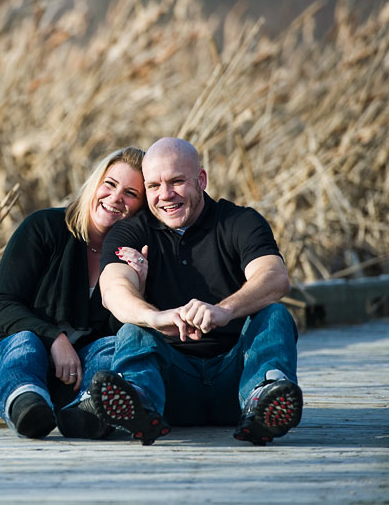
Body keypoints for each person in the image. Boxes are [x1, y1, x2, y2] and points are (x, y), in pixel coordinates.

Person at [88, 137, 302, 446]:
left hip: (237, 381)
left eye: (176, 182)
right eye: (154, 186)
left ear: (201, 179)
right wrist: (157, 316)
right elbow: (113, 290)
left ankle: (264, 399)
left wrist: (224, 310)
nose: (165, 195)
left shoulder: (240, 222)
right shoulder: (131, 230)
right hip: (172, 388)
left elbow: (274, 277)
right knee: (134, 328)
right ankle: (138, 402)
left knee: (275, 314)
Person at [0, 147, 149, 439]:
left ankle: (89, 411)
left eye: (130, 194)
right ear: (95, 183)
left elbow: (125, 332)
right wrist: (54, 338)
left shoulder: (134, 256)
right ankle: (26, 405)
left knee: (114, 346)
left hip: (77, 379)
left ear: (142, 207)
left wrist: (137, 288)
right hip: (16, 361)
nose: (115, 198)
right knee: (25, 343)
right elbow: (4, 303)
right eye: (109, 184)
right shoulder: (43, 227)